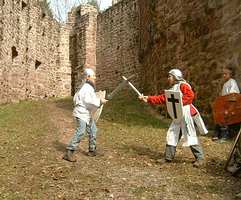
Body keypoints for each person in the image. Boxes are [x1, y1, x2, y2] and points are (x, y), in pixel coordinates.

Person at [139, 69, 205, 167]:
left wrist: (179, 102)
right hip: (177, 115)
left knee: (190, 135)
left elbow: (190, 96)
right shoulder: (173, 88)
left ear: (176, 77)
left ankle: (200, 158)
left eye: (170, 76)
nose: (168, 78)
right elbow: (162, 98)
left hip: (186, 114)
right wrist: (148, 98)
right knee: (172, 134)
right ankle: (168, 157)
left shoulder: (184, 85)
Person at [63, 68, 108, 162]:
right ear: (88, 77)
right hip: (81, 113)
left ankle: (92, 150)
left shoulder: (87, 87)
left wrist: (99, 101)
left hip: (86, 113)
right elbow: (88, 101)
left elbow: (82, 99)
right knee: (81, 131)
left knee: (93, 130)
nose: (95, 78)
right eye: (93, 76)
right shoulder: (86, 88)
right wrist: (100, 101)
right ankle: (69, 152)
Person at [212, 66, 240, 143]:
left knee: (224, 117)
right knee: (218, 116)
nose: (224, 75)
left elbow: (233, 95)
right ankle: (216, 134)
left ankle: (225, 136)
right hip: (225, 105)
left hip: (230, 105)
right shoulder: (225, 84)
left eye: (226, 74)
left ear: (230, 75)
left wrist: (229, 107)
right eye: (223, 74)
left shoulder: (232, 82)